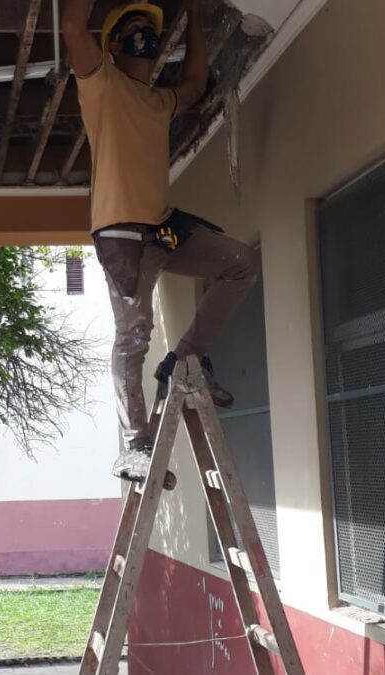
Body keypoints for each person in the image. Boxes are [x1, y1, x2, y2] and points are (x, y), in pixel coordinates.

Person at [63, 0, 259, 481]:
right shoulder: (101, 85)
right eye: (133, 30)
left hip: (161, 226)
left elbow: (193, 85)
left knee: (241, 263)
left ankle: (184, 360)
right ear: (111, 47)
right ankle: (134, 445)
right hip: (122, 236)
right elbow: (71, 25)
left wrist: (191, 14)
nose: (144, 39)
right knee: (133, 335)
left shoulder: (158, 101)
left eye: (149, 32)